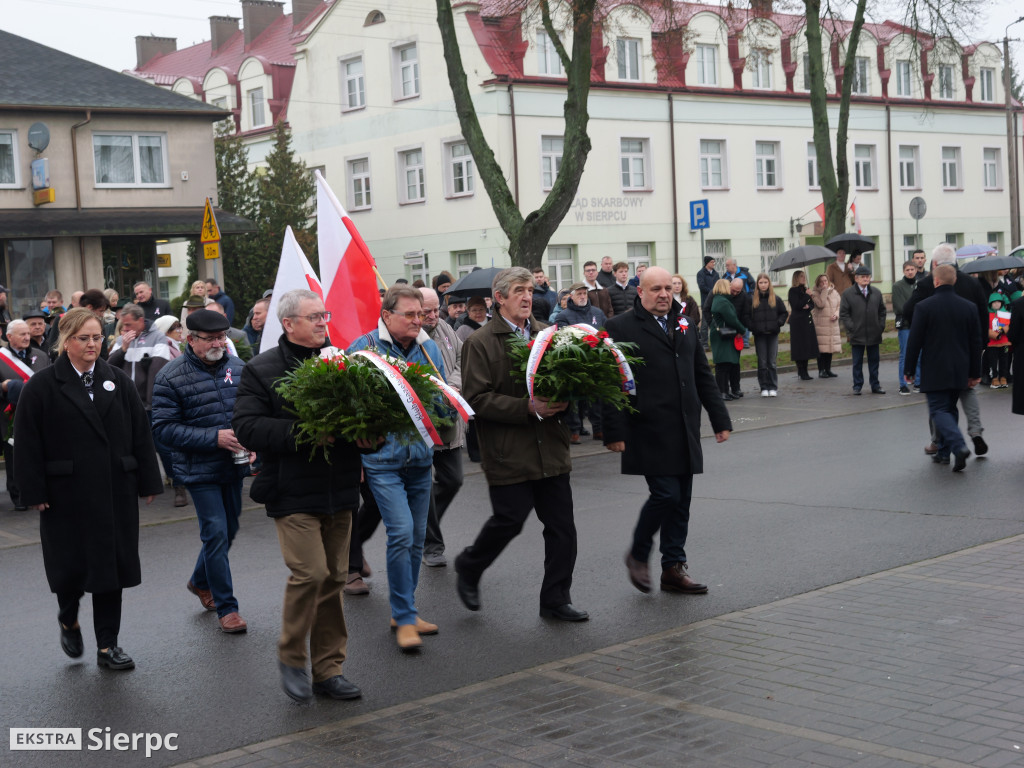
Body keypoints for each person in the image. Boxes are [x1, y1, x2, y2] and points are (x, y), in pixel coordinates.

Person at [233, 289, 366, 703]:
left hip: (340, 488)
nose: (323, 322)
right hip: (291, 489)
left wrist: (371, 435)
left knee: (334, 580)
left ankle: (329, 670)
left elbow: (364, 417)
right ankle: (292, 657)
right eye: (313, 317)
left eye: (324, 315)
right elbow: (248, 427)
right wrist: (307, 433)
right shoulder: (261, 368)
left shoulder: (343, 362)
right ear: (288, 324)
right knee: (311, 574)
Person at [14, 308, 163, 671]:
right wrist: (33, 492)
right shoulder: (42, 386)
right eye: (84, 338)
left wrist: (147, 479)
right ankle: (68, 617)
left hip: (114, 492)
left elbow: (139, 434)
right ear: (66, 342)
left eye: (98, 337)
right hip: (66, 496)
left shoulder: (116, 380)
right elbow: (28, 443)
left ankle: (108, 646)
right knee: (70, 571)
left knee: (110, 570)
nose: (93, 344)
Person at [455, 267, 587, 622]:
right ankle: (469, 565)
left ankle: (556, 599)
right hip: (508, 450)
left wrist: (569, 396)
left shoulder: (549, 335)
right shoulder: (479, 342)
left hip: (551, 446)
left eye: (530, 290)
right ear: (499, 298)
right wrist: (526, 407)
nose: (527, 296)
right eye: (518, 291)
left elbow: (567, 381)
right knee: (509, 521)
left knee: (562, 527)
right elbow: (476, 400)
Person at [603, 267, 731, 595]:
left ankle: (673, 568)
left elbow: (701, 372)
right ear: (640, 293)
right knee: (666, 495)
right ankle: (638, 552)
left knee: (681, 501)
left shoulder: (685, 321)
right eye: (656, 289)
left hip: (684, 426)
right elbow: (612, 382)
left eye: (667, 288)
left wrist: (720, 419)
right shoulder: (619, 327)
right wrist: (614, 431)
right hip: (647, 428)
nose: (664, 294)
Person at [347, 286, 446, 650]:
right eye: (410, 315)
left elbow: (441, 393)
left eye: (420, 315)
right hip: (382, 462)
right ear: (387, 315)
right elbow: (348, 404)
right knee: (402, 533)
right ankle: (404, 617)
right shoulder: (363, 348)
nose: (418, 321)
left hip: (420, 459)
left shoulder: (427, 347)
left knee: (417, 539)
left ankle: (404, 609)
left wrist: (446, 406)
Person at [152, 309, 250, 634]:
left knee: (230, 529)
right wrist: (214, 438)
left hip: (233, 466)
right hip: (198, 469)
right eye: (210, 339)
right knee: (216, 532)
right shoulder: (170, 376)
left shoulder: (238, 369)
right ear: (189, 339)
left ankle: (198, 580)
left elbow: (253, 414)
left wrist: (253, 442)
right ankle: (227, 607)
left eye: (222, 337)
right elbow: (164, 430)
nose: (219, 343)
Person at [903, 244, 990, 457]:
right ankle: (975, 430)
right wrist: (981, 347)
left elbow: (908, 312)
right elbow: (983, 314)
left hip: (937, 351)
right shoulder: (973, 282)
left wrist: (911, 365)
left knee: (939, 400)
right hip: (968, 348)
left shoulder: (926, 285)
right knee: (968, 390)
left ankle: (937, 441)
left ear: (934, 266)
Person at [107, 303, 183, 505]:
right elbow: (109, 367)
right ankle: (134, 485)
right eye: (123, 325)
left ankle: (178, 484)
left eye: (129, 324)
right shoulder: (123, 338)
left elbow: (157, 372)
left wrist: (151, 402)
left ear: (141, 321)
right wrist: (122, 348)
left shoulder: (157, 337)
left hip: (148, 403)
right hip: (125, 402)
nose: (126, 329)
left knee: (162, 445)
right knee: (126, 445)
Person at [417, 288, 465, 570]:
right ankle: (431, 545)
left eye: (437, 310)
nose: (433, 316)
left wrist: (454, 383)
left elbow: (460, 358)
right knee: (423, 486)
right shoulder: (408, 335)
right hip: (421, 423)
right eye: (427, 311)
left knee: (453, 480)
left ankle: (421, 522)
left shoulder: (446, 328)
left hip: (449, 420)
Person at [1, 319, 51, 510]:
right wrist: (4, 387)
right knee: (15, 457)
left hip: (40, 413)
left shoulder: (40, 355)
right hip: (10, 417)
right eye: (22, 334)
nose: (27, 337)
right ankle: (19, 496)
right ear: (9, 337)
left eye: (28, 334)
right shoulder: (1, 357)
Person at [556, 283, 608, 443]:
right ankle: (574, 430)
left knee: (596, 398)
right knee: (574, 399)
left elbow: (606, 333)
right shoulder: (563, 316)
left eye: (584, 293)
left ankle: (598, 429)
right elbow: (562, 339)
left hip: (595, 361)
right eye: (579, 294)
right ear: (571, 296)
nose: (583, 296)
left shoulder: (597, 313)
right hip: (574, 362)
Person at [839, 266, 886, 395]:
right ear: (856, 278)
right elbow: (844, 313)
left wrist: (880, 326)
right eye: (863, 277)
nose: (866, 279)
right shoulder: (848, 294)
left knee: (874, 361)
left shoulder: (876, 292)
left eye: (868, 277)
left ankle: (875, 385)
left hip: (874, 333)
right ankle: (857, 385)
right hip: (857, 333)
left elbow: (882, 311)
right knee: (857, 362)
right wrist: (851, 328)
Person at [749, 273, 788, 397]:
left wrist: (778, 323)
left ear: (769, 284)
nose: (763, 285)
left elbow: (784, 313)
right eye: (761, 282)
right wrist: (753, 327)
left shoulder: (775, 299)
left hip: (772, 334)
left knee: (772, 362)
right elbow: (746, 316)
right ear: (757, 284)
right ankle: (764, 387)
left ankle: (773, 386)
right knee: (762, 362)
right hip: (760, 335)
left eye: (765, 282)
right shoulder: (752, 299)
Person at [709, 279, 745, 401]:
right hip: (723, 335)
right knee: (723, 364)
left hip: (720, 334)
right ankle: (722, 392)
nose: (730, 287)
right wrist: (742, 329)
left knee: (724, 364)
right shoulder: (722, 301)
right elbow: (732, 319)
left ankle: (724, 391)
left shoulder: (719, 299)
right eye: (729, 285)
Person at [891, 261, 920, 394]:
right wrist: (916, 311)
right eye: (907, 269)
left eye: (912, 269)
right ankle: (903, 384)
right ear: (903, 271)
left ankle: (918, 382)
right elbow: (899, 307)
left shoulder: (919, 284)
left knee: (920, 353)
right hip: (905, 325)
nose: (910, 272)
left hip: (919, 324)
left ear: (916, 270)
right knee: (904, 354)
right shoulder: (897, 286)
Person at [787, 271, 818, 381]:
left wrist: (808, 305)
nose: (804, 278)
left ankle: (805, 370)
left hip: (807, 320)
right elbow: (796, 305)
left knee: (807, 346)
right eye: (801, 276)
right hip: (798, 322)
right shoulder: (793, 291)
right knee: (799, 347)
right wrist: (806, 296)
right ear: (796, 278)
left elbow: (812, 304)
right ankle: (801, 371)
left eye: (804, 276)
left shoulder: (805, 289)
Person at [810, 275, 841, 378]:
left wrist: (836, 314)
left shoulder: (834, 292)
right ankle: (821, 370)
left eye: (825, 280)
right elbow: (821, 304)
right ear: (818, 283)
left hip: (832, 323)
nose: (824, 283)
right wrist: (823, 291)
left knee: (830, 348)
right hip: (821, 324)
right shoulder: (815, 294)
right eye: (821, 281)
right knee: (822, 349)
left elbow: (840, 306)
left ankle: (828, 369)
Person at [982, 293, 1011, 388]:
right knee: (993, 361)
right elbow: (985, 327)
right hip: (992, 343)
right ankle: (994, 378)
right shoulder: (987, 315)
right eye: (994, 302)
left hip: (1004, 342)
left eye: (999, 302)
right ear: (990, 303)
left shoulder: (1006, 313)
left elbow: (1010, 325)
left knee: (1004, 360)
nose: (996, 304)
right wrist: (995, 335)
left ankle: (1003, 377)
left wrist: (1003, 330)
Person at [695, 256, 720, 349]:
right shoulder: (701, 273)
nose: (713, 264)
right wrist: (712, 292)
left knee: (716, 323)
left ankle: (716, 342)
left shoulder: (716, 274)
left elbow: (719, 285)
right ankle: (704, 344)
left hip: (716, 302)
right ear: (707, 263)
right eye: (712, 262)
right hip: (706, 302)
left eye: (714, 262)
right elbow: (702, 286)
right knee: (705, 325)